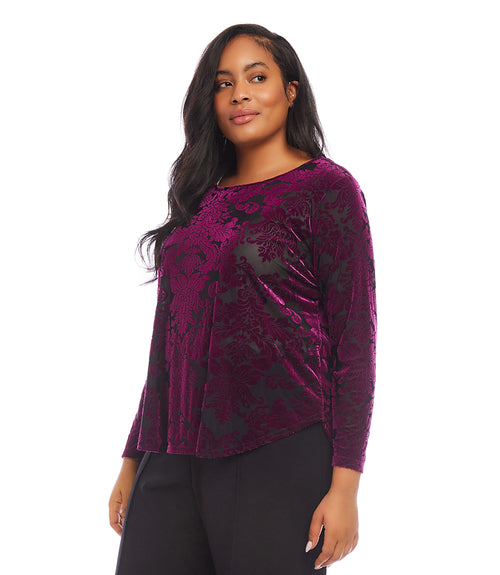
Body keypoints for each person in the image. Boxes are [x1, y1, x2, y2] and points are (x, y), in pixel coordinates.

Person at [108, 23, 377, 574]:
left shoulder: (326, 189)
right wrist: (134, 458)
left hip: (277, 449)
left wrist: (346, 485)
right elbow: (169, 341)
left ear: (291, 91)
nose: (240, 95)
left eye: (257, 77)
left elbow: (355, 341)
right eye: (224, 83)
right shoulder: (198, 198)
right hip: (170, 452)